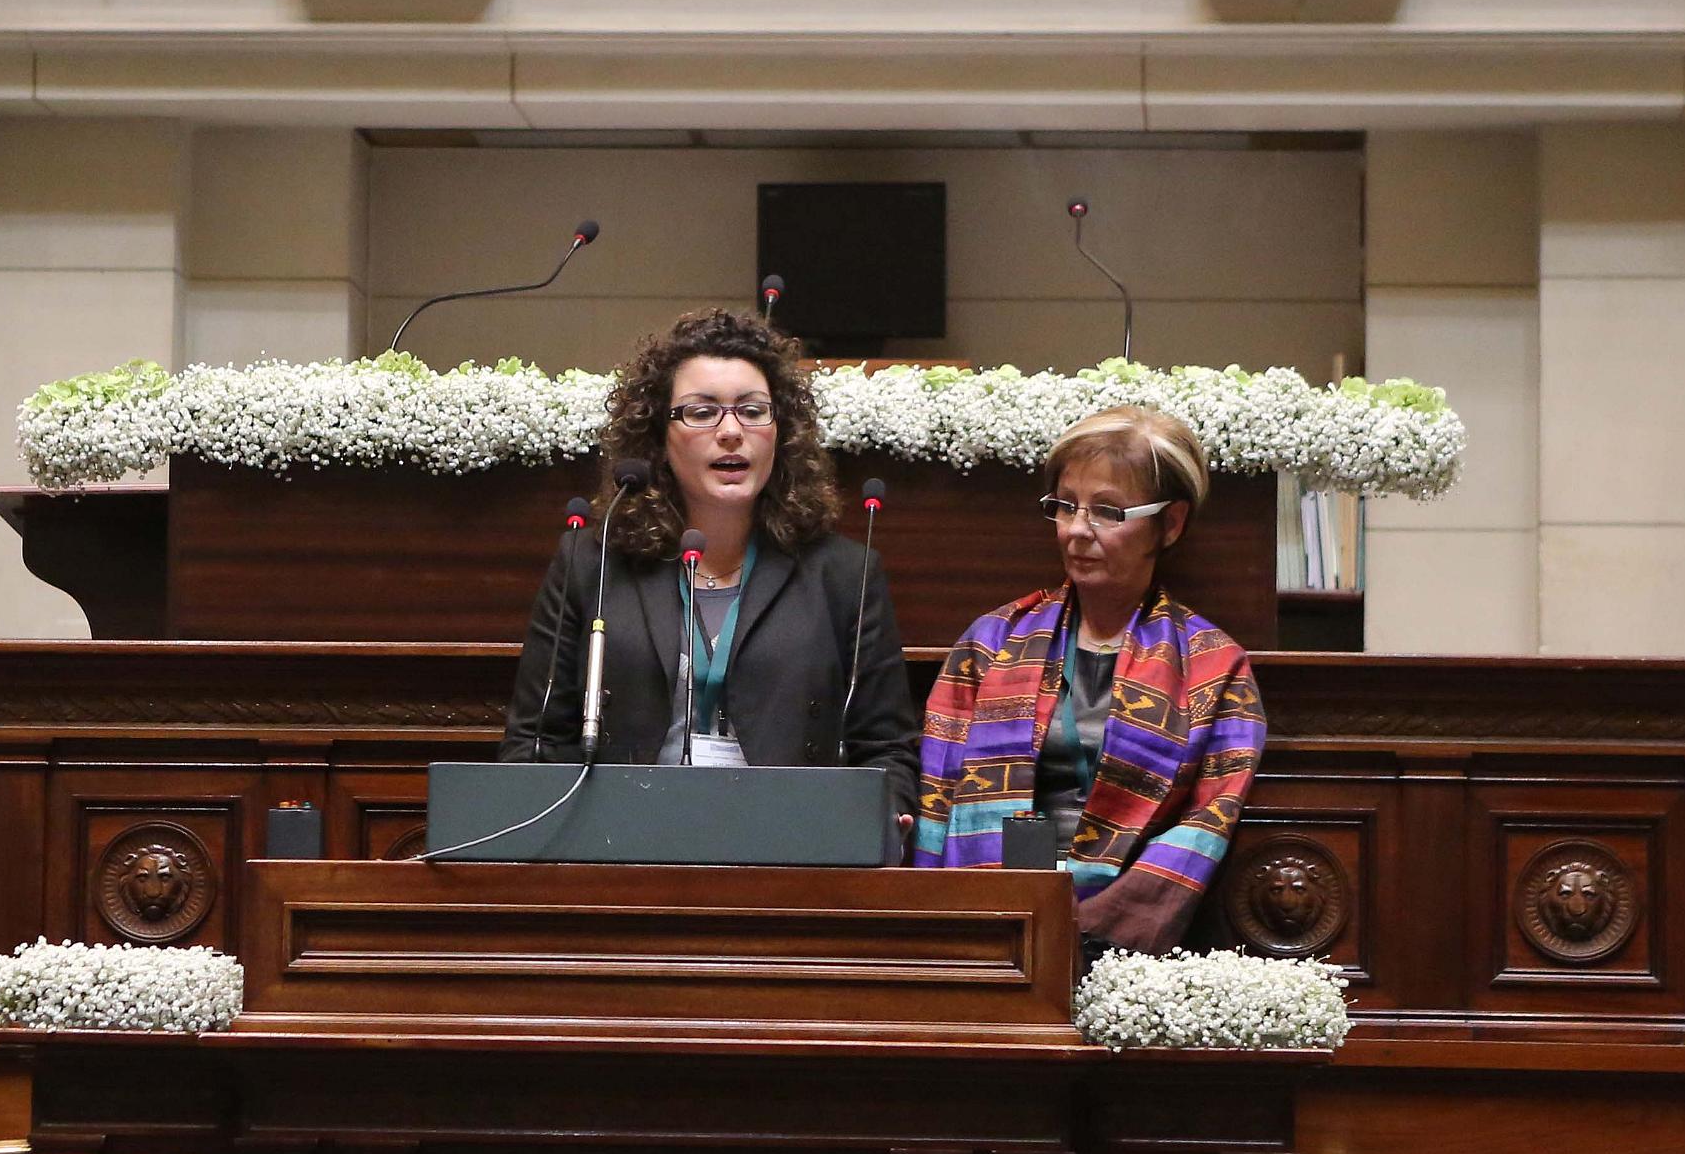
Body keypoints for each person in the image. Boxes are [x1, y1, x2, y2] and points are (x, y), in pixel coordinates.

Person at [500, 307, 920, 821]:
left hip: (790, 845)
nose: (730, 432)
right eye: (701, 412)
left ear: (781, 431)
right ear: (658, 435)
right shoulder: (593, 563)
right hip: (620, 845)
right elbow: (536, 738)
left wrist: (881, 822)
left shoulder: (843, 573)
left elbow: (887, 748)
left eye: (752, 410)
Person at [912, 406, 1266, 955]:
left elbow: (1206, 824)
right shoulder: (991, 641)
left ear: (1169, 524)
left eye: (1107, 511)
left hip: (1132, 947)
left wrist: (1094, 928)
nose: (1077, 529)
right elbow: (936, 800)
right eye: (1064, 506)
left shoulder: (1214, 666)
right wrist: (941, 930)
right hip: (986, 922)